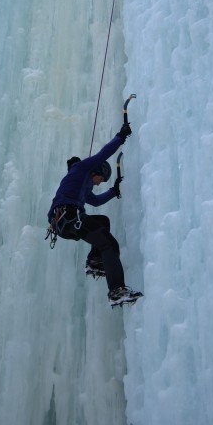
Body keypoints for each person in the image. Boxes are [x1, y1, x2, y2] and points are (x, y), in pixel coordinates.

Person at [47, 122, 142, 306]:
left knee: (102, 221)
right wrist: (120, 136)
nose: (100, 183)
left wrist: (113, 192)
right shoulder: (81, 169)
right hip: (69, 217)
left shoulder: (81, 186)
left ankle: (94, 261)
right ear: (96, 172)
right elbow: (103, 154)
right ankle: (116, 290)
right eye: (101, 179)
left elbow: (96, 201)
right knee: (109, 244)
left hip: (66, 221)